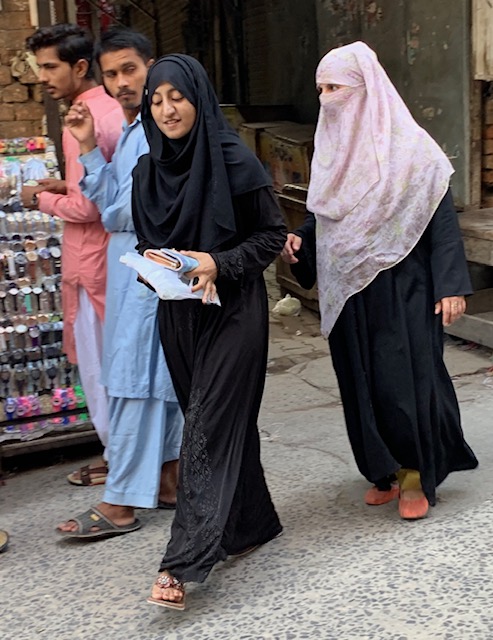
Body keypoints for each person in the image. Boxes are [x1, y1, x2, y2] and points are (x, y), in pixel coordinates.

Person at [282, 41, 478, 521]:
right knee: (359, 382)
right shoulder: (331, 153)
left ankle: (414, 473)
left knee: (402, 382)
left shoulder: (413, 151)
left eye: (336, 88)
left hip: (403, 287)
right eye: (321, 89)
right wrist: (301, 241)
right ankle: (383, 471)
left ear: (366, 89)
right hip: (348, 290)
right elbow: (327, 215)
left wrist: (450, 285)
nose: (327, 99)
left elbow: (439, 220)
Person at [131, 54, 286, 610]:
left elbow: (271, 235)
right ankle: (252, 524)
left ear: (198, 98)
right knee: (221, 422)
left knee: (206, 426)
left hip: (234, 311)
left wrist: (218, 262)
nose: (167, 110)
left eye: (177, 97)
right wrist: (152, 267)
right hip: (179, 314)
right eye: (156, 100)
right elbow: (146, 243)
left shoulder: (234, 160)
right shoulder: (147, 172)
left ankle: (182, 561)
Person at [55, 28, 183, 539]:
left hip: (146, 268)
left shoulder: (158, 130)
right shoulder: (132, 130)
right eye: (111, 74)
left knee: (136, 382)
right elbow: (110, 197)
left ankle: (121, 501)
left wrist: (110, 208)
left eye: (130, 69)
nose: (122, 82)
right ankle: (168, 480)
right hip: (129, 265)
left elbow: (121, 210)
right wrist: (89, 146)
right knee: (148, 378)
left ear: (152, 65)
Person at [22, 24, 123, 485]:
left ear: (80, 67)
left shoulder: (83, 117)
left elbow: (88, 207)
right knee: (115, 365)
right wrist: (65, 184)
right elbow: (102, 185)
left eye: (50, 67)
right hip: (109, 259)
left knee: (102, 371)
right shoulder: (112, 110)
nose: (42, 77)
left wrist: (39, 199)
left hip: (92, 263)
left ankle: (120, 463)